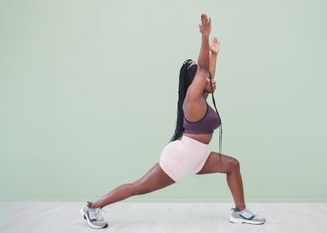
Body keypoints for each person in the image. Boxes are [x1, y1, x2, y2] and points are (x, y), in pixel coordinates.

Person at [80, 13, 266, 229]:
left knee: (232, 165)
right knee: (138, 187)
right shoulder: (192, 100)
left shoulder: (201, 98)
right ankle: (92, 207)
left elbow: (208, 73)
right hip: (180, 157)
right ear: (194, 82)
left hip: (198, 157)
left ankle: (240, 211)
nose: (210, 81)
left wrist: (214, 55)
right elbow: (204, 70)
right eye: (203, 77)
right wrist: (204, 38)